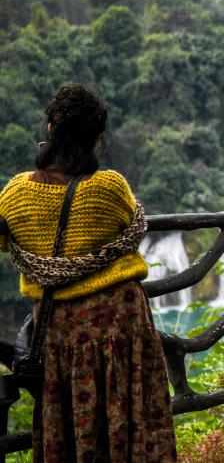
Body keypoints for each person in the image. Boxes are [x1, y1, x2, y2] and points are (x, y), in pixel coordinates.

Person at [0, 84, 177, 462]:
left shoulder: (15, 193)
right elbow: (131, 221)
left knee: (67, 419)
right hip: (120, 325)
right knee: (131, 413)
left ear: (50, 129)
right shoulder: (110, 187)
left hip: (59, 331)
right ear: (97, 136)